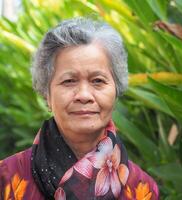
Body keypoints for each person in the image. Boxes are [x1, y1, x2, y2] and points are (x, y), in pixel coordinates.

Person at [0, 17, 159, 200]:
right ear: (47, 94)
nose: (84, 95)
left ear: (116, 91)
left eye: (97, 81)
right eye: (69, 81)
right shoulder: (7, 178)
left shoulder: (142, 189)